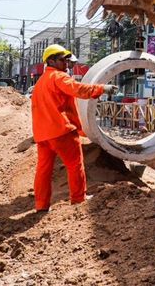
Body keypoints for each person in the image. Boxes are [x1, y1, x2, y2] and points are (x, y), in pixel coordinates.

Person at [31, 44, 116, 212]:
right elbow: (78, 89)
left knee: (43, 170)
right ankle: (78, 199)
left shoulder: (41, 82)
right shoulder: (58, 77)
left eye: (67, 60)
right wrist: (102, 88)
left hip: (43, 135)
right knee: (75, 165)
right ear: (51, 61)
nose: (66, 63)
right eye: (62, 60)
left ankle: (41, 205)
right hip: (61, 131)